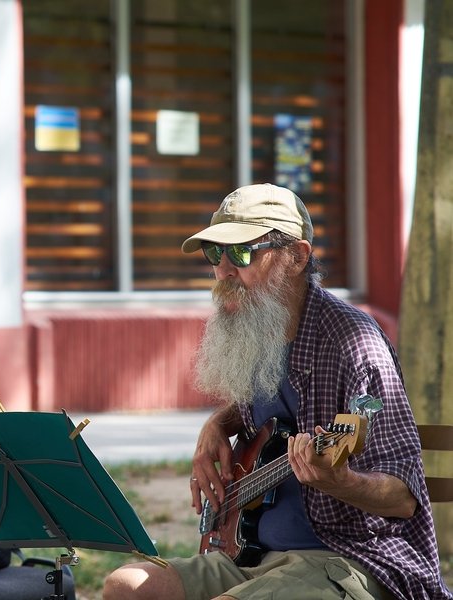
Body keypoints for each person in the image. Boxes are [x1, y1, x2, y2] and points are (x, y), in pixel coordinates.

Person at [103, 183, 452, 600]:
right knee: (125, 586)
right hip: (249, 554)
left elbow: (403, 498)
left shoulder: (354, 343)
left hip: (347, 559)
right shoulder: (258, 326)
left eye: (241, 253)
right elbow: (266, 407)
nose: (224, 270)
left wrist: (339, 481)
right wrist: (218, 424)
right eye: (215, 254)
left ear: (297, 257)